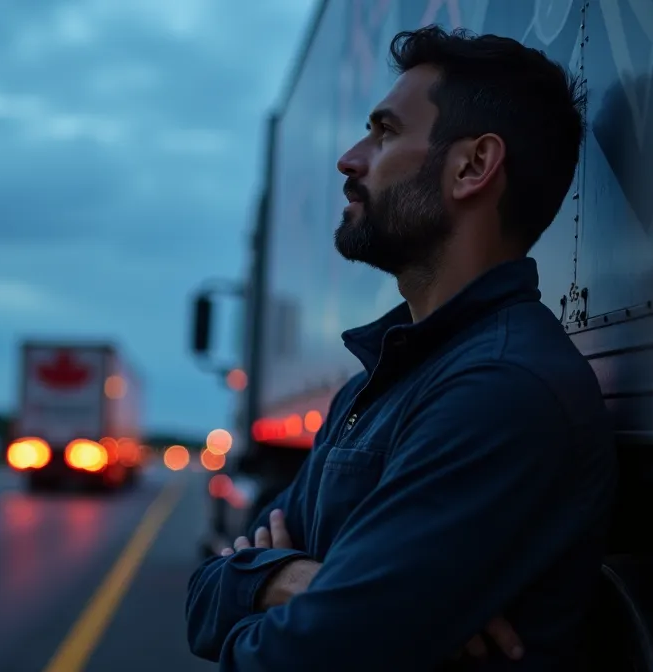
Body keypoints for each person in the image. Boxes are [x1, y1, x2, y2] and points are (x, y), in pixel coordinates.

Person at [185, 25, 617, 670]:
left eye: (385, 132)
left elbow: (294, 659)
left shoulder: (501, 390)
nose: (350, 158)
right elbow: (201, 597)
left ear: (472, 167)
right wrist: (291, 580)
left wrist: (271, 581)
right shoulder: (373, 386)